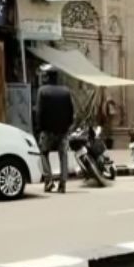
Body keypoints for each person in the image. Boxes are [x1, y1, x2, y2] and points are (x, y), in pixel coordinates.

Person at [34, 65, 74, 193]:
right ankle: (63, 184)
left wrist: (38, 128)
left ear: (47, 77)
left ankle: (49, 180)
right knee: (63, 155)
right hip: (62, 131)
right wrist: (67, 126)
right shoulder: (66, 91)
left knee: (43, 153)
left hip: (47, 131)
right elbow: (71, 112)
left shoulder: (43, 91)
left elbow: (39, 112)